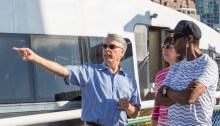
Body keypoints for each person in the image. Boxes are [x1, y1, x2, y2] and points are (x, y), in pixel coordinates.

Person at [13, 33, 141, 126]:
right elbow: (63, 71)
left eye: (112, 46)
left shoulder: (129, 80)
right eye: (104, 46)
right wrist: (34, 57)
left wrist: (128, 106)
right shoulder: (90, 72)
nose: (107, 49)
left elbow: (135, 114)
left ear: (122, 52)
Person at [155, 20, 219, 126]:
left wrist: (167, 91)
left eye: (175, 38)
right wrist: (182, 93)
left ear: (189, 38)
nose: (172, 42)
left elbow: (189, 98)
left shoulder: (208, 65)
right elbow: (159, 99)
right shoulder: (176, 67)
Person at [151, 33, 181, 126]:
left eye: (168, 46)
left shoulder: (186, 71)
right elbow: (157, 105)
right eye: (163, 46)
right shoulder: (160, 75)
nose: (164, 49)